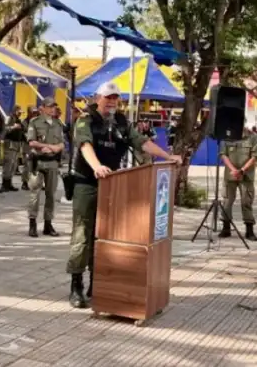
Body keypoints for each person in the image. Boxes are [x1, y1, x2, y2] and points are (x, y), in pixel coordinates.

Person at [67, 82, 181, 309]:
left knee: (107, 235)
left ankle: (97, 283)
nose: (111, 102)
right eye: (108, 97)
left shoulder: (120, 122)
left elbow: (142, 142)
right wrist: (97, 166)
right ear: (98, 97)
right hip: (87, 183)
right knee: (83, 234)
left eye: (115, 98)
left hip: (113, 184)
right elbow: (85, 145)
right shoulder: (86, 120)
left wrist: (166, 156)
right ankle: (76, 285)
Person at [25, 97, 64, 238]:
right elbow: (31, 141)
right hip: (39, 162)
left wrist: (55, 148)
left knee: (51, 195)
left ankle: (48, 224)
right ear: (42, 108)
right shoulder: (34, 122)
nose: (52, 109)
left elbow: (62, 144)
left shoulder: (58, 124)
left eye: (53, 106)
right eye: (49, 106)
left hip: (52, 162)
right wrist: (46, 146)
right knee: (35, 194)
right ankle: (32, 223)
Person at [219, 133, 257, 241]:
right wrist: (233, 170)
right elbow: (223, 154)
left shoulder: (252, 137)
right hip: (230, 176)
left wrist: (242, 170)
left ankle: (249, 230)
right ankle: (226, 228)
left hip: (246, 176)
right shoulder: (227, 135)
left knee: (246, 202)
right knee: (227, 201)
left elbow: (255, 156)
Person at [1, 107, 25, 192]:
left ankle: (9, 183)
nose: (20, 113)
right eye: (19, 112)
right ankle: (4, 184)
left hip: (17, 144)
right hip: (10, 143)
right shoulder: (9, 118)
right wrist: (13, 127)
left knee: (14, 165)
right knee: (8, 163)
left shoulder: (18, 119)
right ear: (15, 111)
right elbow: (4, 129)